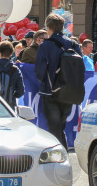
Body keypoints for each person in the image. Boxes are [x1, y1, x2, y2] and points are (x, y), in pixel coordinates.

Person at [35, 14, 83, 149]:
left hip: (50, 92)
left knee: (55, 129)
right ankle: (63, 155)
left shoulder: (45, 45)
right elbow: (80, 68)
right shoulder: (73, 44)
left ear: (49, 28)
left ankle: (61, 158)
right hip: (69, 91)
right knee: (60, 126)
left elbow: (39, 72)